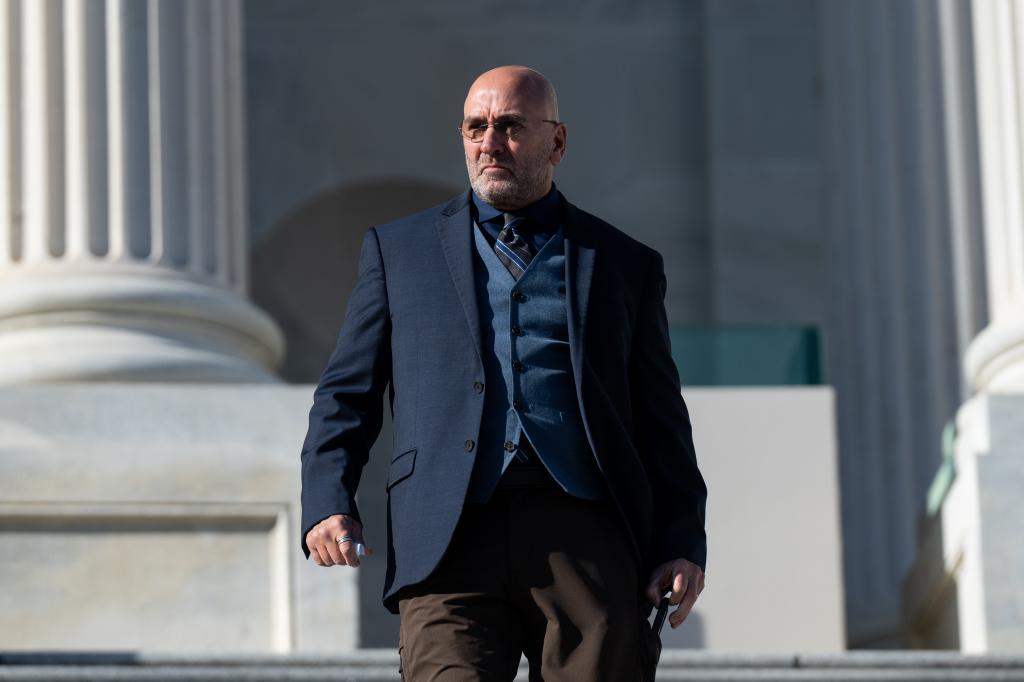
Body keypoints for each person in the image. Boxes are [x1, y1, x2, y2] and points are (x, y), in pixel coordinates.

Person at [299, 65, 707, 681]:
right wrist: (329, 498)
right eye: (475, 127)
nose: (489, 143)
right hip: (447, 533)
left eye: (511, 127)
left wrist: (680, 539)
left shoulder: (624, 263)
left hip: (588, 532)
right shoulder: (398, 250)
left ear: (558, 143)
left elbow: (661, 419)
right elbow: (346, 391)